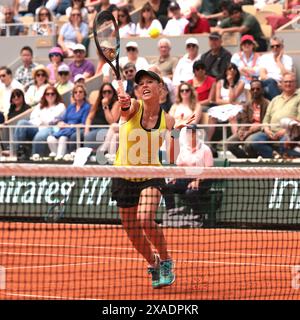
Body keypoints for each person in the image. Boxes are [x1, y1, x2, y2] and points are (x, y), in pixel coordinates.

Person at [112, 69, 175, 288]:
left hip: (151, 175)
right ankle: (153, 262)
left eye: (150, 81)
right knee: (132, 230)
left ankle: (166, 260)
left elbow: (173, 153)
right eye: (141, 83)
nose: (145, 85)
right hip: (124, 174)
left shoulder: (168, 119)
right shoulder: (135, 107)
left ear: (162, 89)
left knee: (145, 219)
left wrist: (178, 131)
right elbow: (126, 109)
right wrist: (124, 102)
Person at [162, 125, 214, 227]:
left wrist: (197, 181)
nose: (190, 135)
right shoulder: (183, 149)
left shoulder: (205, 149)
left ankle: (198, 218)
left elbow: (209, 171)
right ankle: (171, 214)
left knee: (190, 193)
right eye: (188, 133)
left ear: (196, 134)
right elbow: (179, 167)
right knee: (167, 187)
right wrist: (175, 177)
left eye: (192, 132)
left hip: (204, 180)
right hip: (185, 179)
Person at [249, 72, 300, 158]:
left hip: (290, 132)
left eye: (291, 81)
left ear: (295, 83)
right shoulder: (275, 100)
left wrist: (285, 131)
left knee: (285, 142)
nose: (288, 84)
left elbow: (298, 120)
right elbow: (266, 119)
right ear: (281, 84)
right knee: (254, 140)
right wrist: (267, 129)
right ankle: (274, 156)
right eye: (286, 82)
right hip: (271, 132)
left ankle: (284, 156)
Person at [14, 86, 66, 159]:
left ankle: (35, 157)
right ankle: (19, 151)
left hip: (50, 128)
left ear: (56, 95)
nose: (50, 96)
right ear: (44, 96)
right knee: (21, 123)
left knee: (39, 136)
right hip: (37, 126)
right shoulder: (40, 105)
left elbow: (51, 120)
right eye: (47, 94)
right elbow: (32, 117)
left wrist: (41, 119)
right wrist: (41, 120)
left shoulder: (60, 106)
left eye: (52, 94)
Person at [226, 79, 269, 158]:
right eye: (253, 89)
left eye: (258, 89)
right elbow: (244, 121)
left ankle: (253, 161)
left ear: (262, 90)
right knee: (229, 143)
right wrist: (241, 131)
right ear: (250, 91)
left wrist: (248, 132)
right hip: (247, 129)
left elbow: (266, 122)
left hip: (261, 130)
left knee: (248, 143)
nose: (255, 91)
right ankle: (246, 159)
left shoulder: (268, 104)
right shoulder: (247, 104)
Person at [47, 83, 90, 159]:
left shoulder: (87, 107)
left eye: (80, 92)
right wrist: (60, 123)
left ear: (84, 94)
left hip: (76, 129)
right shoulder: (71, 106)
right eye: (75, 92)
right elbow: (64, 119)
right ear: (73, 95)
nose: (78, 94)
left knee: (63, 138)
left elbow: (84, 124)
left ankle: (60, 158)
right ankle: (58, 157)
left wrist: (70, 126)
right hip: (66, 129)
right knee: (50, 138)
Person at [207, 62, 246, 141]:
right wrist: (230, 102)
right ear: (225, 71)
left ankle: (236, 140)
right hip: (225, 106)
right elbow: (217, 100)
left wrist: (231, 83)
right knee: (212, 117)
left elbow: (232, 98)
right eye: (229, 69)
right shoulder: (220, 82)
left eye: (234, 68)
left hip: (236, 107)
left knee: (232, 117)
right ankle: (207, 141)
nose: (232, 70)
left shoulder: (241, 83)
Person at [84, 82, 119, 151]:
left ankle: (99, 151)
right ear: (101, 93)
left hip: (106, 129)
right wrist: (86, 129)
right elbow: (89, 118)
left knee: (89, 137)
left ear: (113, 93)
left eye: (109, 92)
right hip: (93, 128)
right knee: (78, 135)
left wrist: (105, 106)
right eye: (104, 92)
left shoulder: (116, 103)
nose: (107, 94)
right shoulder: (97, 103)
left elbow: (112, 122)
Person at [258, 36, 294, 101]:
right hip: (266, 82)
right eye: (272, 46)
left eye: (277, 46)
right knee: (271, 82)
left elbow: (286, 75)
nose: (275, 48)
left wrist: (278, 61)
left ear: (282, 47)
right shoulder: (264, 58)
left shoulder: (288, 59)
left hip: (282, 83)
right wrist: (275, 82)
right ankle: (279, 103)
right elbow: (262, 75)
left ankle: (276, 104)